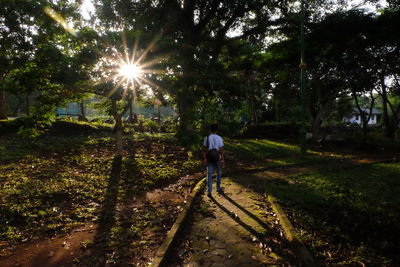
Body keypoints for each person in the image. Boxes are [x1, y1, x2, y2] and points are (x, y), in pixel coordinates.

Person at [203, 124, 225, 197]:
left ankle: (209, 191)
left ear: (210, 130)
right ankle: (218, 188)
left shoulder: (207, 138)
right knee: (219, 173)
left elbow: (205, 149)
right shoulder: (219, 138)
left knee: (209, 174)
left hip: (209, 158)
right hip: (217, 157)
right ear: (217, 131)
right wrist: (222, 159)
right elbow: (221, 150)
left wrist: (205, 158)